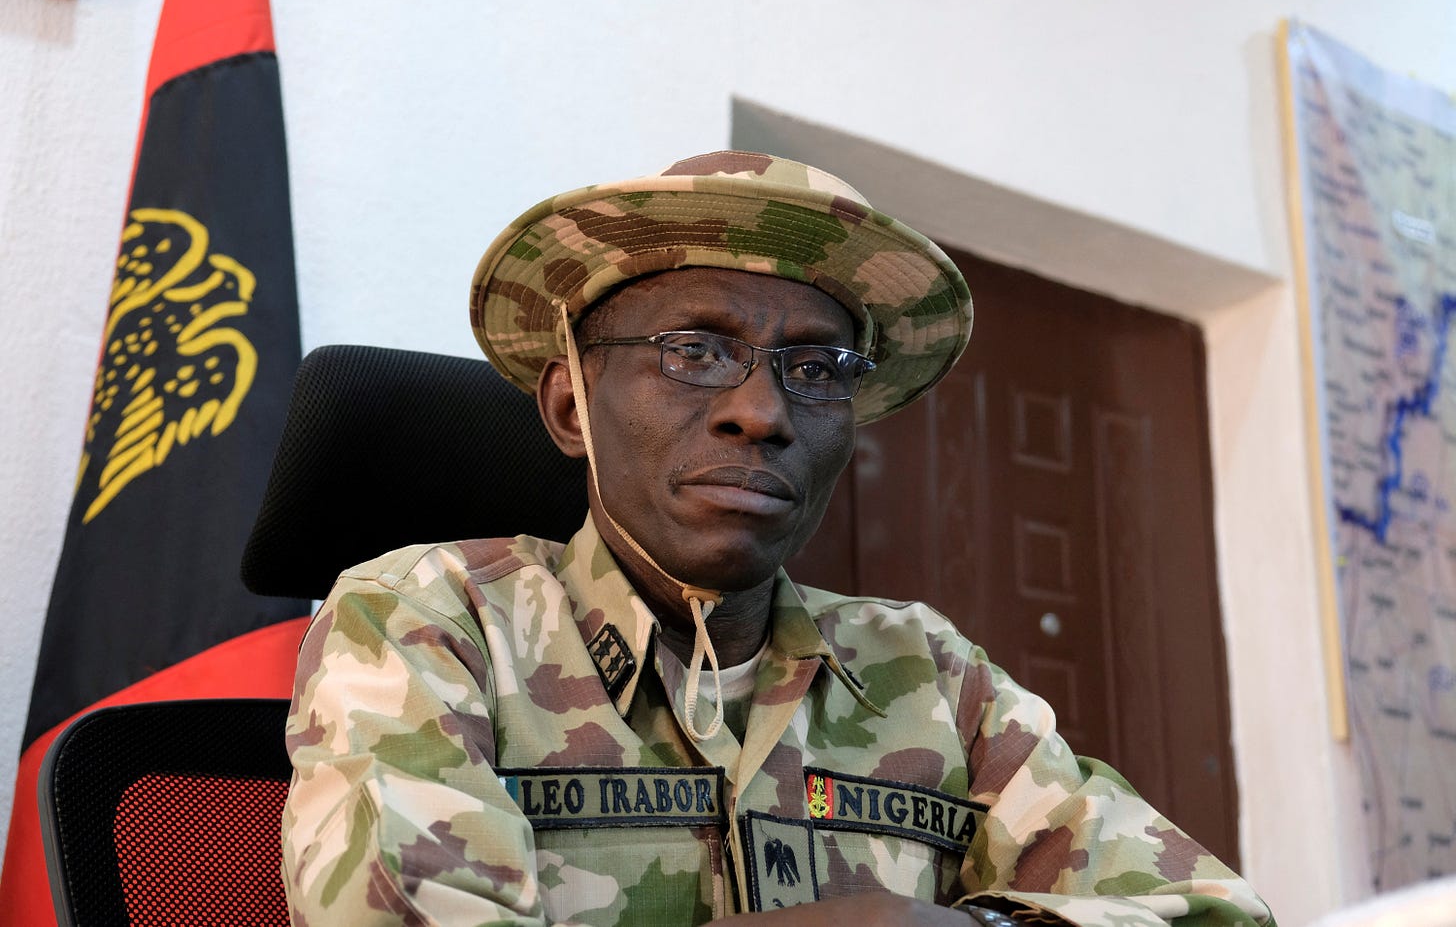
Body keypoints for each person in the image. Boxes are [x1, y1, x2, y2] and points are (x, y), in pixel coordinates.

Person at [281, 151, 1275, 926]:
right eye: (697, 350)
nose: (761, 411)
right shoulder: (433, 618)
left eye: (818, 367)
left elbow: (1216, 911)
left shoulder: (926, 673)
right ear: (571, 405)